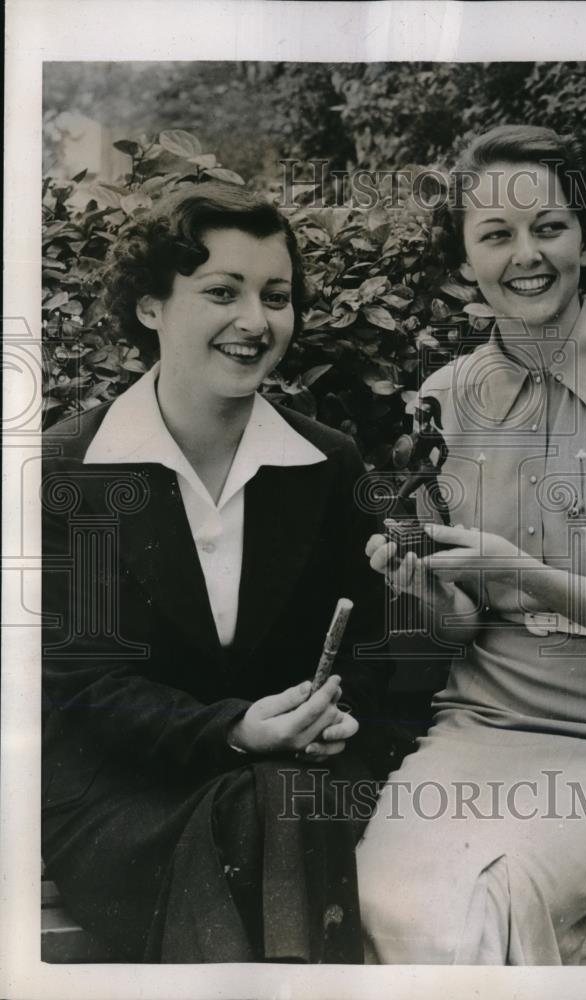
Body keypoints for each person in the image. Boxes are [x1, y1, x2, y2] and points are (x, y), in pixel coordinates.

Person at [356, 125, 586, 964]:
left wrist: (516, 569)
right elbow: (462, 630)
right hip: (482, 723)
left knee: (490, 902)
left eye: (548, 226)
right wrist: (431, 591)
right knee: (388, 896)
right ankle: (570, 938)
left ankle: (558, 927)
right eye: (495, 235)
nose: (526, 255)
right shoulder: (443, 400)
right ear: (466, 259)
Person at [41, 182, 395, 963]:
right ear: (150, 308)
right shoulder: (73, 467)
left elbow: (370, 644)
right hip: (129, 800)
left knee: (280, 801)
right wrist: (232, 730)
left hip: (300, 785)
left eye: (276, 296)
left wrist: (335, 714)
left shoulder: (325, 461)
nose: (255, 321)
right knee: (269, 808)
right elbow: (83, 684)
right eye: (220, 292)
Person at [394, 396, 452, 525]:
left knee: (401, 496)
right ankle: (448, 524)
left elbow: (411, 451)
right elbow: (445, 450)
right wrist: (437, 466)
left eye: (418, 411)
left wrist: (439, 466)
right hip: (428, 468)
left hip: (421, 469)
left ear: (425, 414)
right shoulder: (432, 431)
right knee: (437, 499)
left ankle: (415, 521)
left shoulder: (422, 432)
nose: (415, 413)